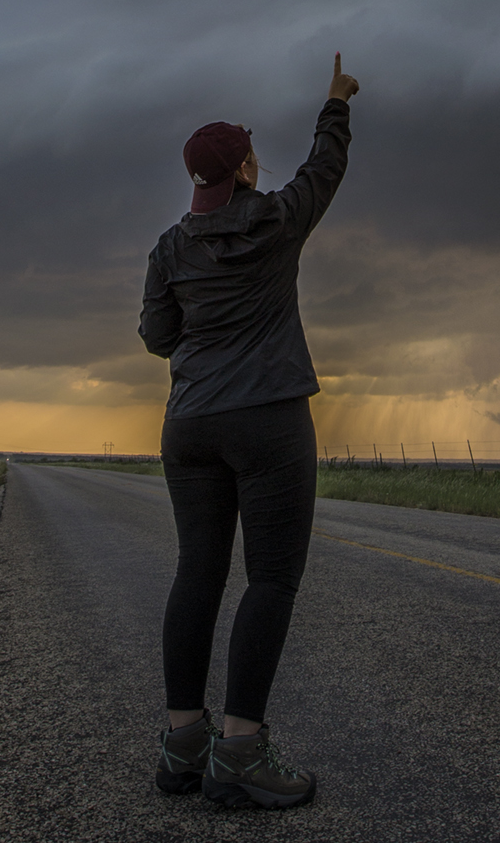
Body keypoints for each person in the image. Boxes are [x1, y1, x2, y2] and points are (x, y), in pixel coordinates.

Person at [138, 52, 359, 810]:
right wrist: (336, 102)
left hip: (189, 421)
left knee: (196, 572)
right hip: (267, 421)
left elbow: (155, 335)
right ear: (243, 166)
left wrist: (201, 338)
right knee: (269, 578)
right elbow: (321, 173)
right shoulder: (271, 218)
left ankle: (180, 748)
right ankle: (238, 751)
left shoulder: (169, 247)